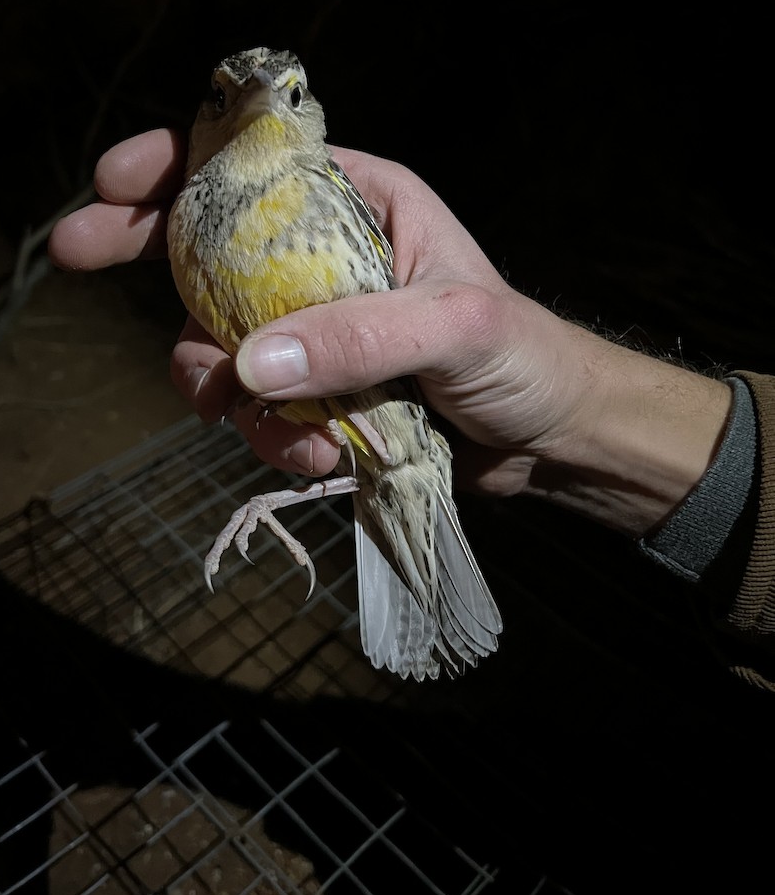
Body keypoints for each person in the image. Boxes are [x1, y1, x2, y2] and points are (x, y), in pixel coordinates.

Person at [48, 128, 775, 689]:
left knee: (371, 454)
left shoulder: (315, 181)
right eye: (223, 95)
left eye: (291, 92)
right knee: (319, 441)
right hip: (348, 439)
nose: (260, 102)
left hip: (401, 429)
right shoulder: (190, 208)